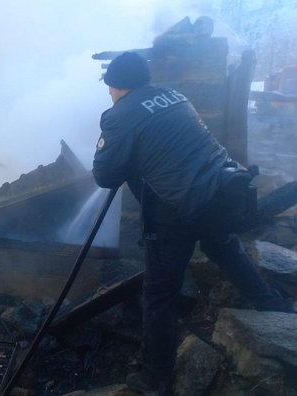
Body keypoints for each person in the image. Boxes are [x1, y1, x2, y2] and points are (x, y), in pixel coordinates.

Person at [92, 51, 293, 395]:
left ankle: (155, 377)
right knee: (226, 249)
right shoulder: (173, 95)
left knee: (160, 292)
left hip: (176, 211)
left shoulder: (119, 115)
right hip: (219, 193)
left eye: (109, 87)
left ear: (118, 85)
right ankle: (274, 306)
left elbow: (105, 175)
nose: (108, 92)